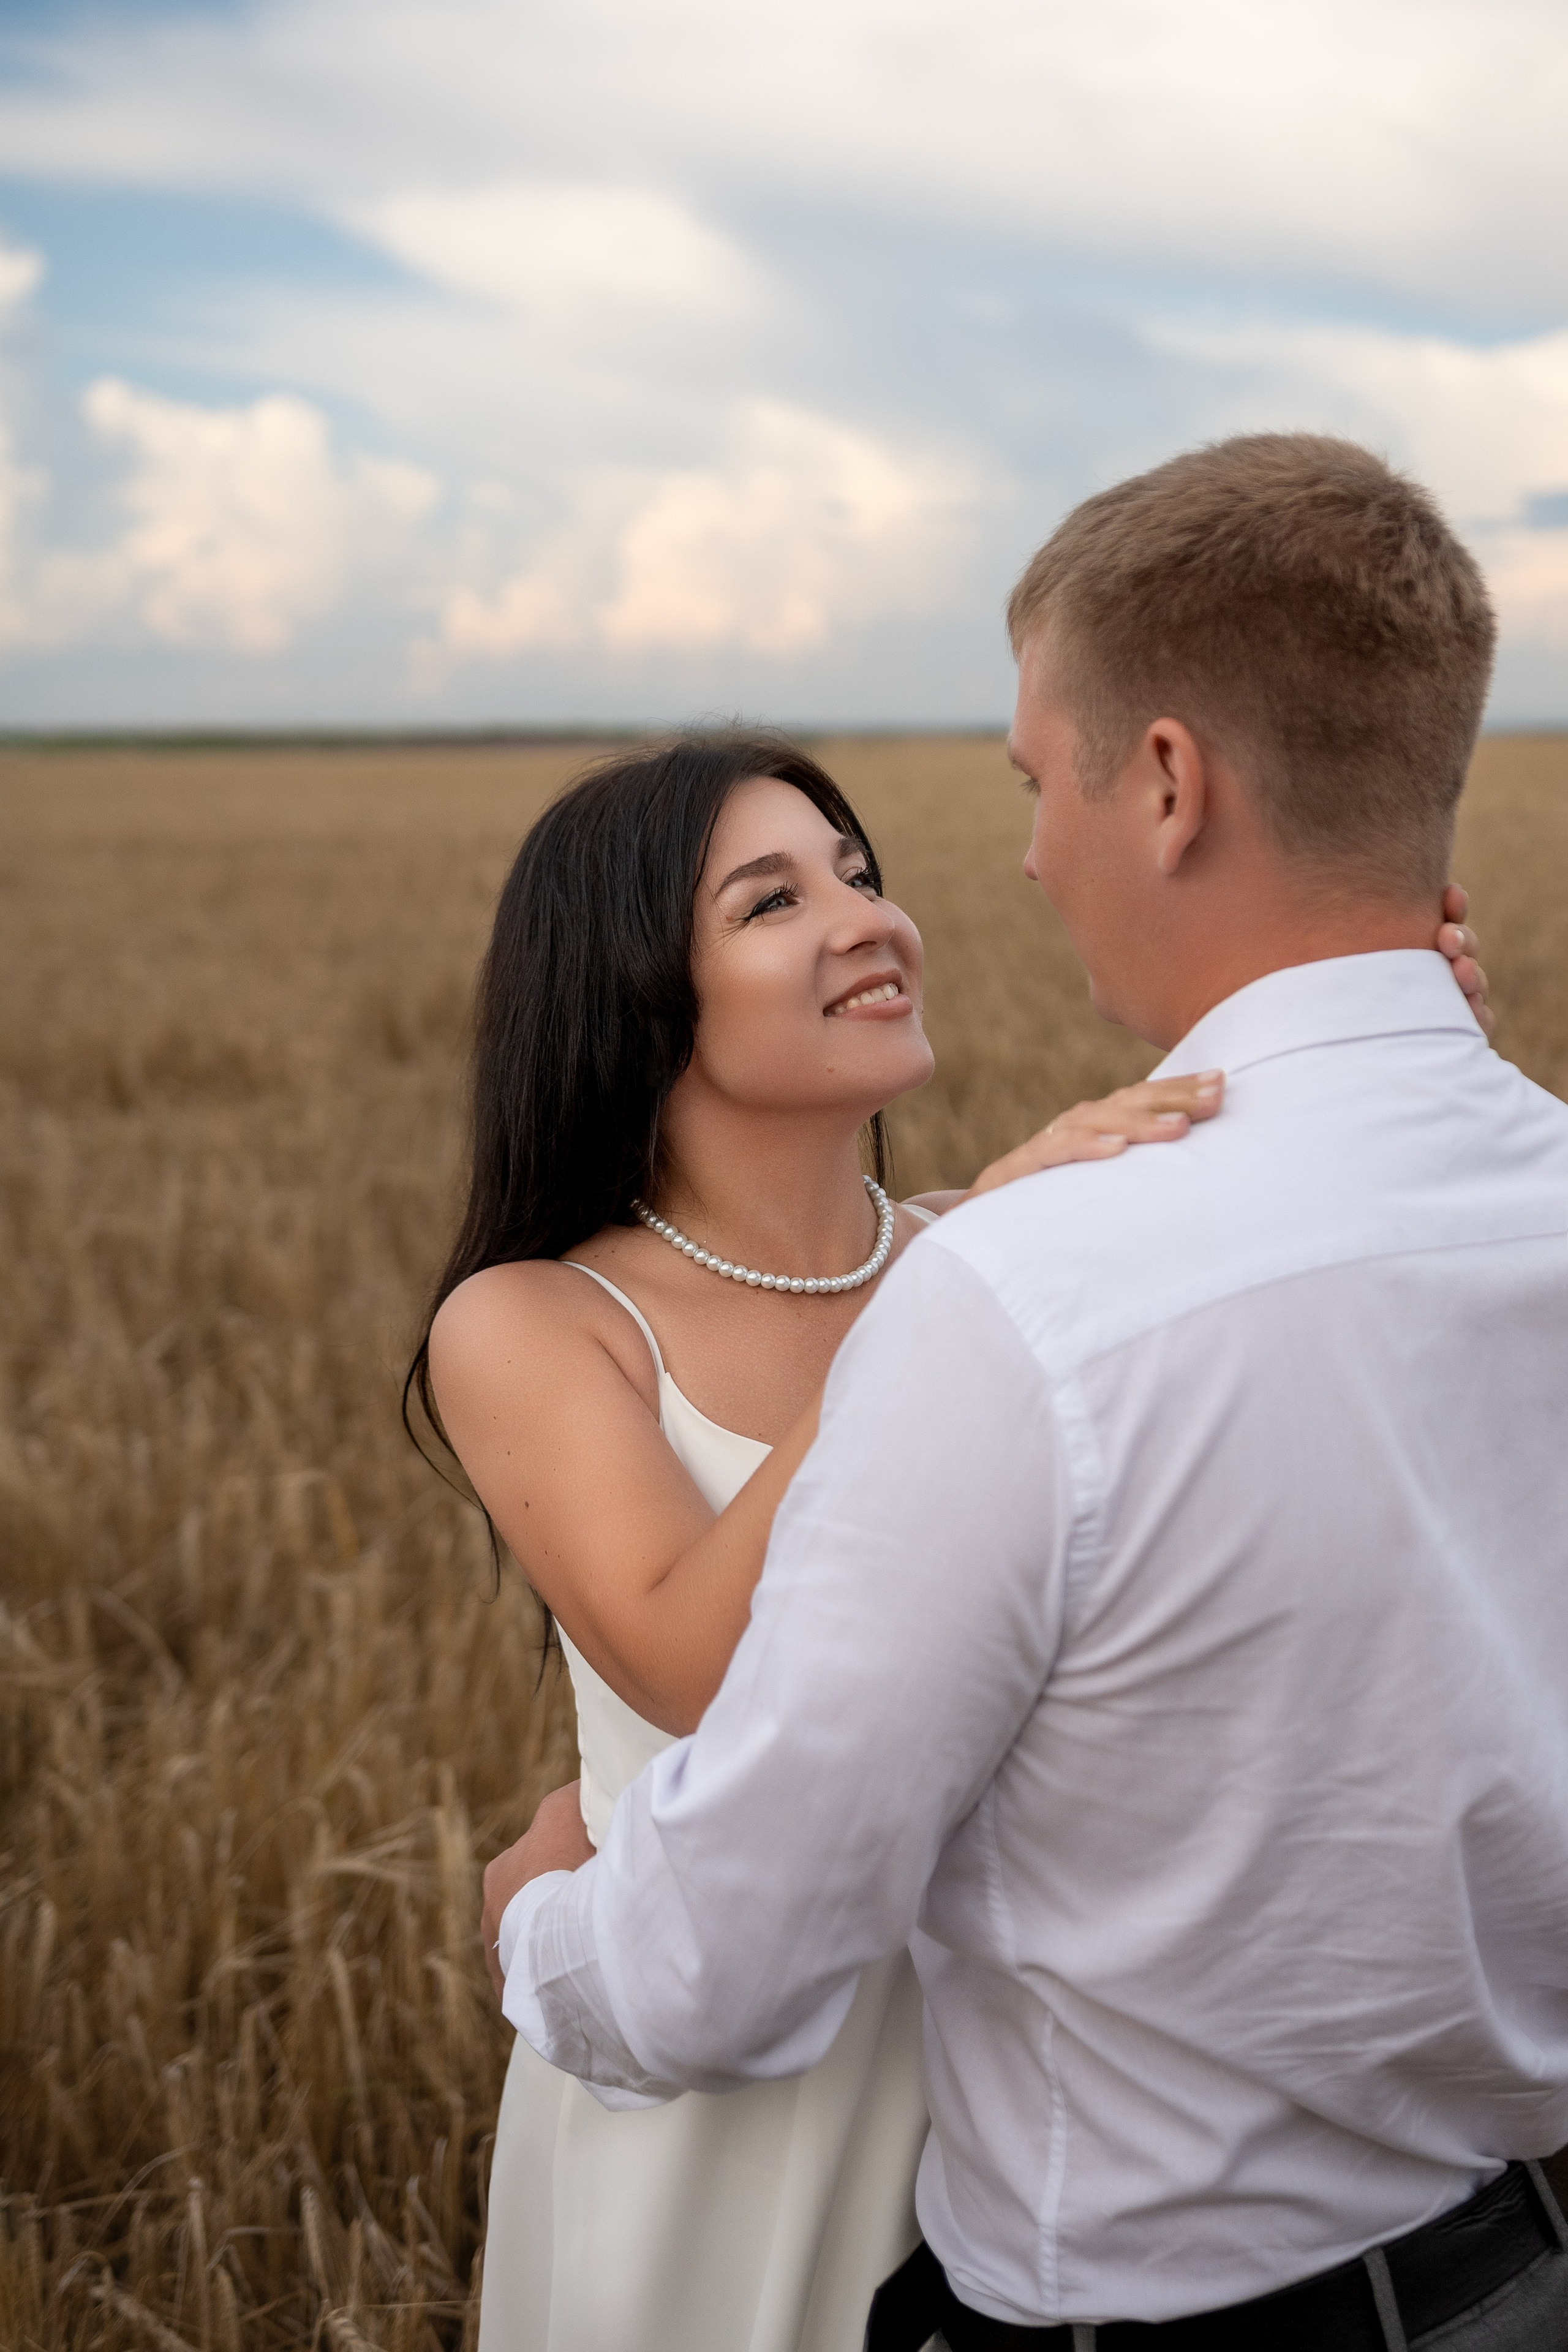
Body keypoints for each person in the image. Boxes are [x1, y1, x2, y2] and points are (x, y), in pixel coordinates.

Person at [486, 435, 1568, 2352]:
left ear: (1164, 783)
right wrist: (1390, 1054)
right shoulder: (1056, 1255)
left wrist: (532, 1918)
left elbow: (705, 1970)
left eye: (1022, 783)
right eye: (770, 900)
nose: (1002, 864)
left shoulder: (1020, 1289)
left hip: (1078, 2230)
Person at [414, 729, 1257, 2352]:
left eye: (861, 875)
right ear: (637, 986)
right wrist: (952, 1295)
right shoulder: (535, 1319)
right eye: (773, 899)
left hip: (1010, 2090)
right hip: (707, 2093)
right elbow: (697, 1660)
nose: (868, 918)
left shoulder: (980, 1249)